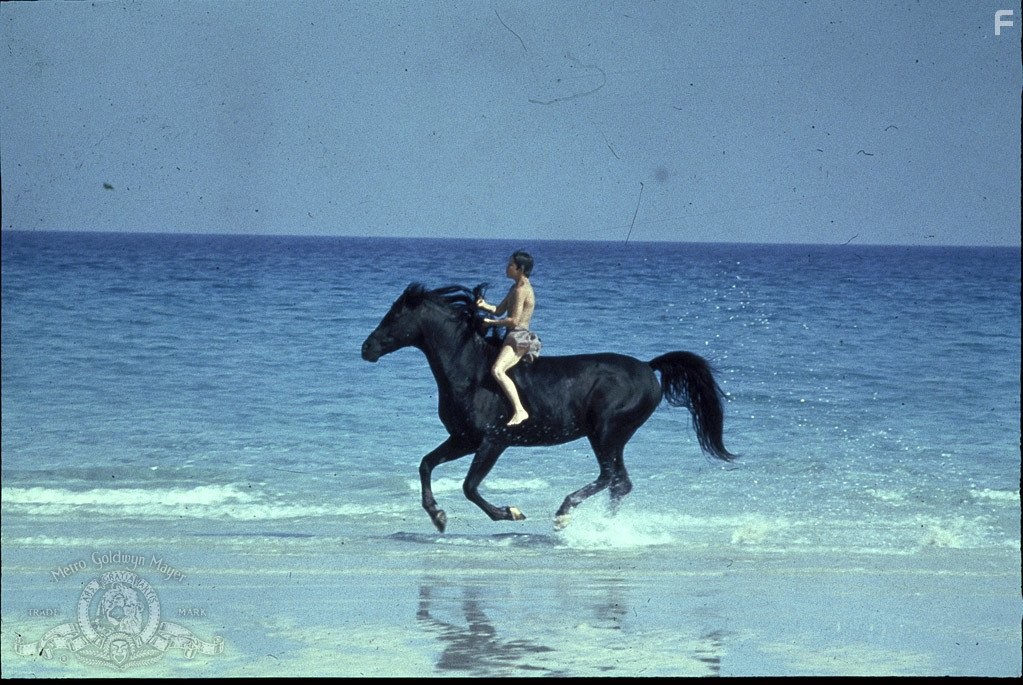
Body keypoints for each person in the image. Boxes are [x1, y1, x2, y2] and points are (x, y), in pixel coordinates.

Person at [476, 250, 541, 426]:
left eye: (510, 265)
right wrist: (485, 306)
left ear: (520, 269)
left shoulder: (522, 290)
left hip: (518, 336)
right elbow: (499, 310)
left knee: (497, 370)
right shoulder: (514, 287)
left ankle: (520, 411)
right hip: (511, 335)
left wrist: (490, 323)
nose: (507, 267)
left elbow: (513, 321)